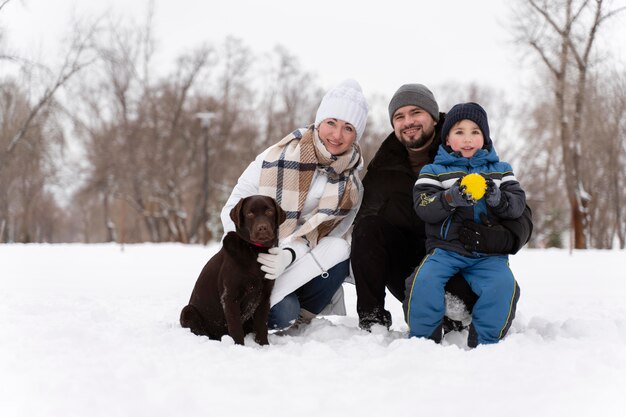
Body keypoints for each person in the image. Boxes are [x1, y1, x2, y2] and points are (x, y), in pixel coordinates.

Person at [351, 84, 533, 331]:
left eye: (416, 112)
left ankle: (459, 316)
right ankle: (372, 319)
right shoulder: (383, 167)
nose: (408, 122)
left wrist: (498, 239)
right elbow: (361, 222)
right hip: (412, 264)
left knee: (475, 296)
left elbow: (520, 211)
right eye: (399, 116)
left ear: (434, 117)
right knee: (367, 227)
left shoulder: (464, 144)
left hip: (462, 255)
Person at [220, 79, 368, 332]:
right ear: (319, 122)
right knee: (282, 310)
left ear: (356, 135)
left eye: (348, 128)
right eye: (331, 123)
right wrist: (252, 251)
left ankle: (292, 311)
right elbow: (233, 207)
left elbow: (326, 239)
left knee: (340, 248)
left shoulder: (352, 185)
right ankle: (248, 305)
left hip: (299, 266)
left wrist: (287, 255)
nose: (337, 135)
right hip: (252, 254)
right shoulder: (275, 156)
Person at [406, 102, 524, 347]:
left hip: (489, 256)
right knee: (424, 281)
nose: (468, 139)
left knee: (503, 286)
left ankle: (485, 343)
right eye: (459, 132)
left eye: (475, 132)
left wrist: (497, 198)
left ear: (485, 138)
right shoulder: (434, 171)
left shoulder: (501, 171)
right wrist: (451, 198)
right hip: (445, 251)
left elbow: (517, 206)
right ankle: (423, 342)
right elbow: (424, 206)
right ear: (447, 139)